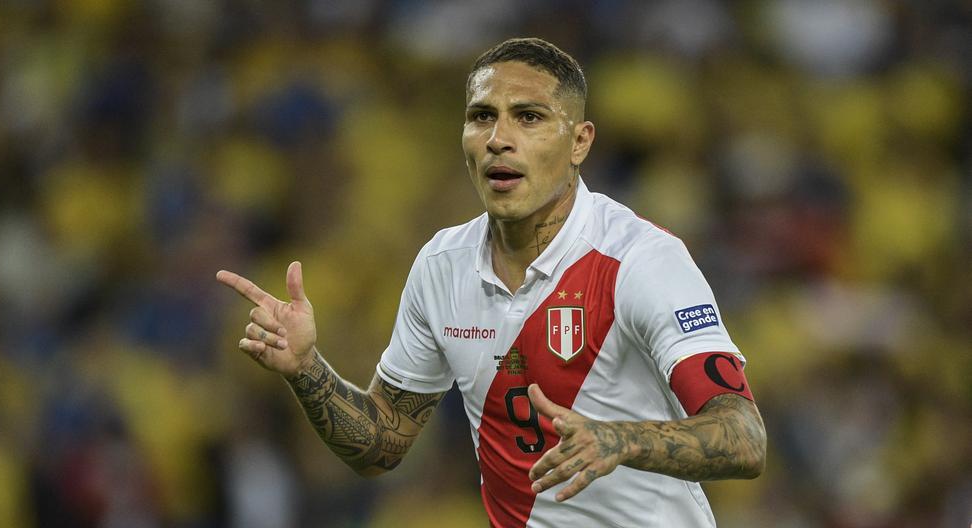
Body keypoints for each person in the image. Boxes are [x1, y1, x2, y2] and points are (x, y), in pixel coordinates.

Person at [217, 37, 766, 527]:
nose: (499, 138)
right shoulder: (442, 265)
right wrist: (307, 370)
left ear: (579, 142)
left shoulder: (641, 260)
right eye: (482, 117)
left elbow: (744, 436)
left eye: (528, 117)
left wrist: (621, 438)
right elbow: (382, 445)